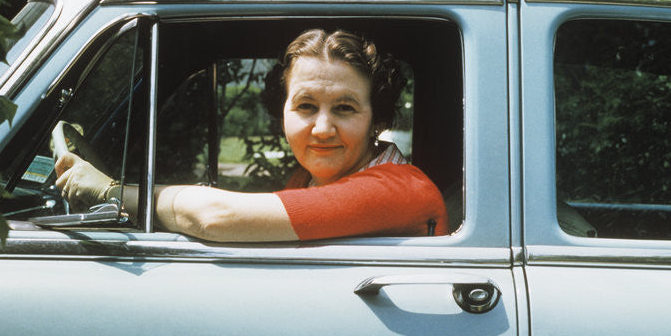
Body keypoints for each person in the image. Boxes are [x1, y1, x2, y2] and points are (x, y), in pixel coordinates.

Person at [54, 29, 448, 242]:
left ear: (376, 119)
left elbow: (215, 217)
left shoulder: (399, 189)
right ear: (283, 113)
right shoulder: (310, 181)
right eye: (306, 106)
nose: (323, 128)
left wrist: (110, 190)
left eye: (345, 109)